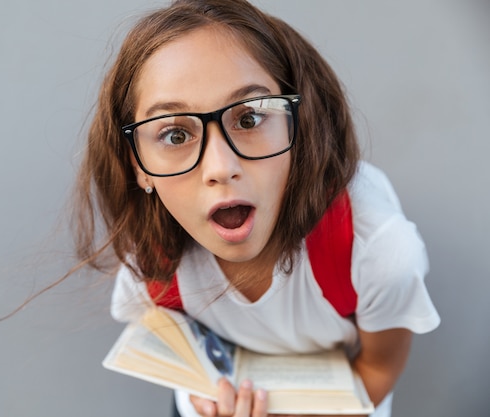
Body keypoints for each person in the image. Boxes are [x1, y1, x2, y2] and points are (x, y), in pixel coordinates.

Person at [72, 0, 440, 416]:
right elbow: (177, 348)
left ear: (299, 126)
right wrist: (201, 400)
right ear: (139, 166)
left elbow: (377, 366)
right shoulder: (152, 262)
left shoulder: (374, 249)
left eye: (249, 120)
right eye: (175, 135)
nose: (220, 168)